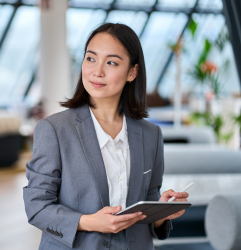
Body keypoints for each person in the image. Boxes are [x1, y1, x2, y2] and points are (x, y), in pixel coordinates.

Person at [23, 23, 189, 250]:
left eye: (111, 62)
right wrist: (91, 222)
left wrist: (162, 210)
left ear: (132, 72)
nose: (97, 71)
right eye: (91, 58)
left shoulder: (151, 135)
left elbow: (148, 204)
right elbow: (37, 207)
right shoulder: (54, 130)